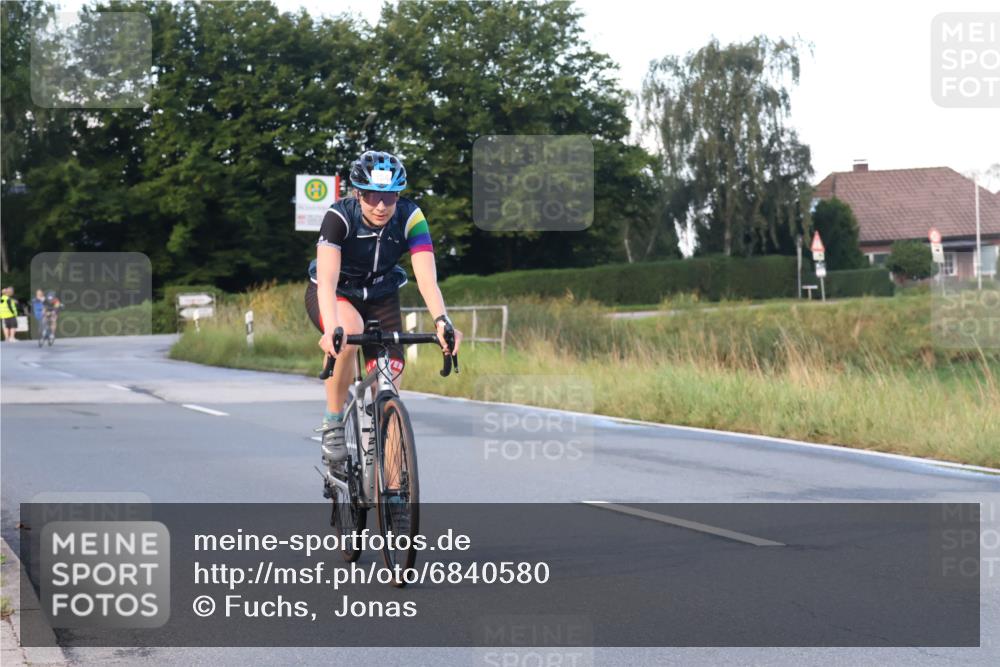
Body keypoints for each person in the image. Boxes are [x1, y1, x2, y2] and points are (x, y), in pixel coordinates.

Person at [305, 150, 463, 466]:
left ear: (398, 196)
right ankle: (334, 421)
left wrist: (442, 320)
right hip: (337, 293)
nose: (380, 205)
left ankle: (393, 495)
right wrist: (332, 325)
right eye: (372, 196)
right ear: (357, 193)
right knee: (349, 333)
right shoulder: (339, 217)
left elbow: (427, 279)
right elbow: (326, 277)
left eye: (389, 198)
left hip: (382, 297)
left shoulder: (410, 217)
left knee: (387, 387)